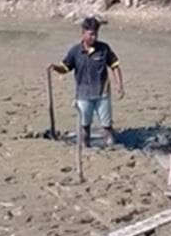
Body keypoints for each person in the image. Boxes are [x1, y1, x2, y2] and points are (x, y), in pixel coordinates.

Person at [48, 16, 124, 147]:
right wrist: (55, 67)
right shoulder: (75, 51)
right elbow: (65, 68)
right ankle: (86, 149)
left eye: (96, 34)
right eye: (91, 34)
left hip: (102, 94)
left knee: (107, 127)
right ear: (83, 34)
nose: (94, 37)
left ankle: (112, 148)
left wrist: (120, 85)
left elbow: (114, 66)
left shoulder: (104, 49)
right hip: (83, 95)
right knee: (84, 127)